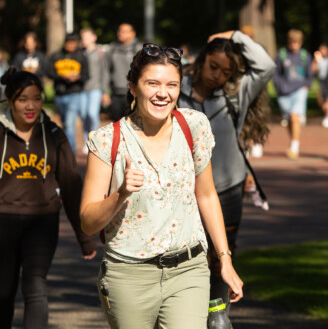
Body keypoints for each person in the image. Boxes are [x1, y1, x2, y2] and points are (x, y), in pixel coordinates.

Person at [80, 44, 243, 328]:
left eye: (172, 84)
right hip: (129, 276)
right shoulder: (108, 141)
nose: (162, 93)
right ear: (133, 87)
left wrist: (224, 259)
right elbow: (88, 222)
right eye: (152, 83)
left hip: (188, 270)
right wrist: (121, 194)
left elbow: (206, 196)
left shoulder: (194, 126)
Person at [0, 67, 96, 329]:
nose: (31, 106)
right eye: (23, 100)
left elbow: (71, 186)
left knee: (35, 287)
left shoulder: (54, 135)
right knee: (4, 290)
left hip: (43, 222)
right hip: (1, 221)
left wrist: (84, 236)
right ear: (10, 101)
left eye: (36, 98)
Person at [178, 30, 274, 303]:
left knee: (223, 252)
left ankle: (217, 311)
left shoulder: (236, 93)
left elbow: (267, 66)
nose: (217, 75)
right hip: (185, 189)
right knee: (188, 252)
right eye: (213, 66)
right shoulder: (176, 90)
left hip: (228, 187)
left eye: (225, 71)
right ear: (201, 60)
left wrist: (236, 35)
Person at [45, 32, 89, 152]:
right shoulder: (56, 55)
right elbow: (48, 72)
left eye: (73, 44)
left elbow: (86, 75)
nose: (70, 46)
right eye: (68, 43)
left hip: (75, 93)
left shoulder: (81, 56)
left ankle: (70, 152)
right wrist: (62, 76)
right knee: (64, 123)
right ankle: (65, 146)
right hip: (59, 94)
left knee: (69, 124)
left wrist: (77, 78)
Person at [273, 29, 313, 160]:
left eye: (296, 43)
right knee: (289, 119)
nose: (294, 46)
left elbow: (309, 74)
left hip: (299, 90)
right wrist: (278, 87)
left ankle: (295, 146)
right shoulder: (282, 54)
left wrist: (307, 86)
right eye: (291, 43)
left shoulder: (305, 56)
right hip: (284, 91)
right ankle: (293, 141)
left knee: (295, 117)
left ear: (300, 43)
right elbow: (276, 72)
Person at [79, 28, 109, 154]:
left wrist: (105, 91)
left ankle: (94, 139)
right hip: (81, 89)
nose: (85, 40)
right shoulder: (80, 53)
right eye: (83, 38)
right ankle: (87, 140)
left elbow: (105, 72)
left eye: (87, 37)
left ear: (94, 37)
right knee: (84, 115)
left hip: (95, 88)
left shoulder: (100, 53)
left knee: (92, 114)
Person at [104, 23, 141, 120]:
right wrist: (105, 92)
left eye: (124, 32)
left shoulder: (139, 49)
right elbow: (106, 71)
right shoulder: (112, 49)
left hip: (134, 93)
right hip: (116, 93)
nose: (121, 33)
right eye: (119, 31)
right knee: (116, 124)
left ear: (133, 34)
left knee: (134, 124)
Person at [313, 43, 328, 128]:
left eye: (324, 49)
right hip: (321, 81)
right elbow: (314, 70)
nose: (322, 51)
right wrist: (315, 60)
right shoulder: (319, 59)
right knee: (321, 99)